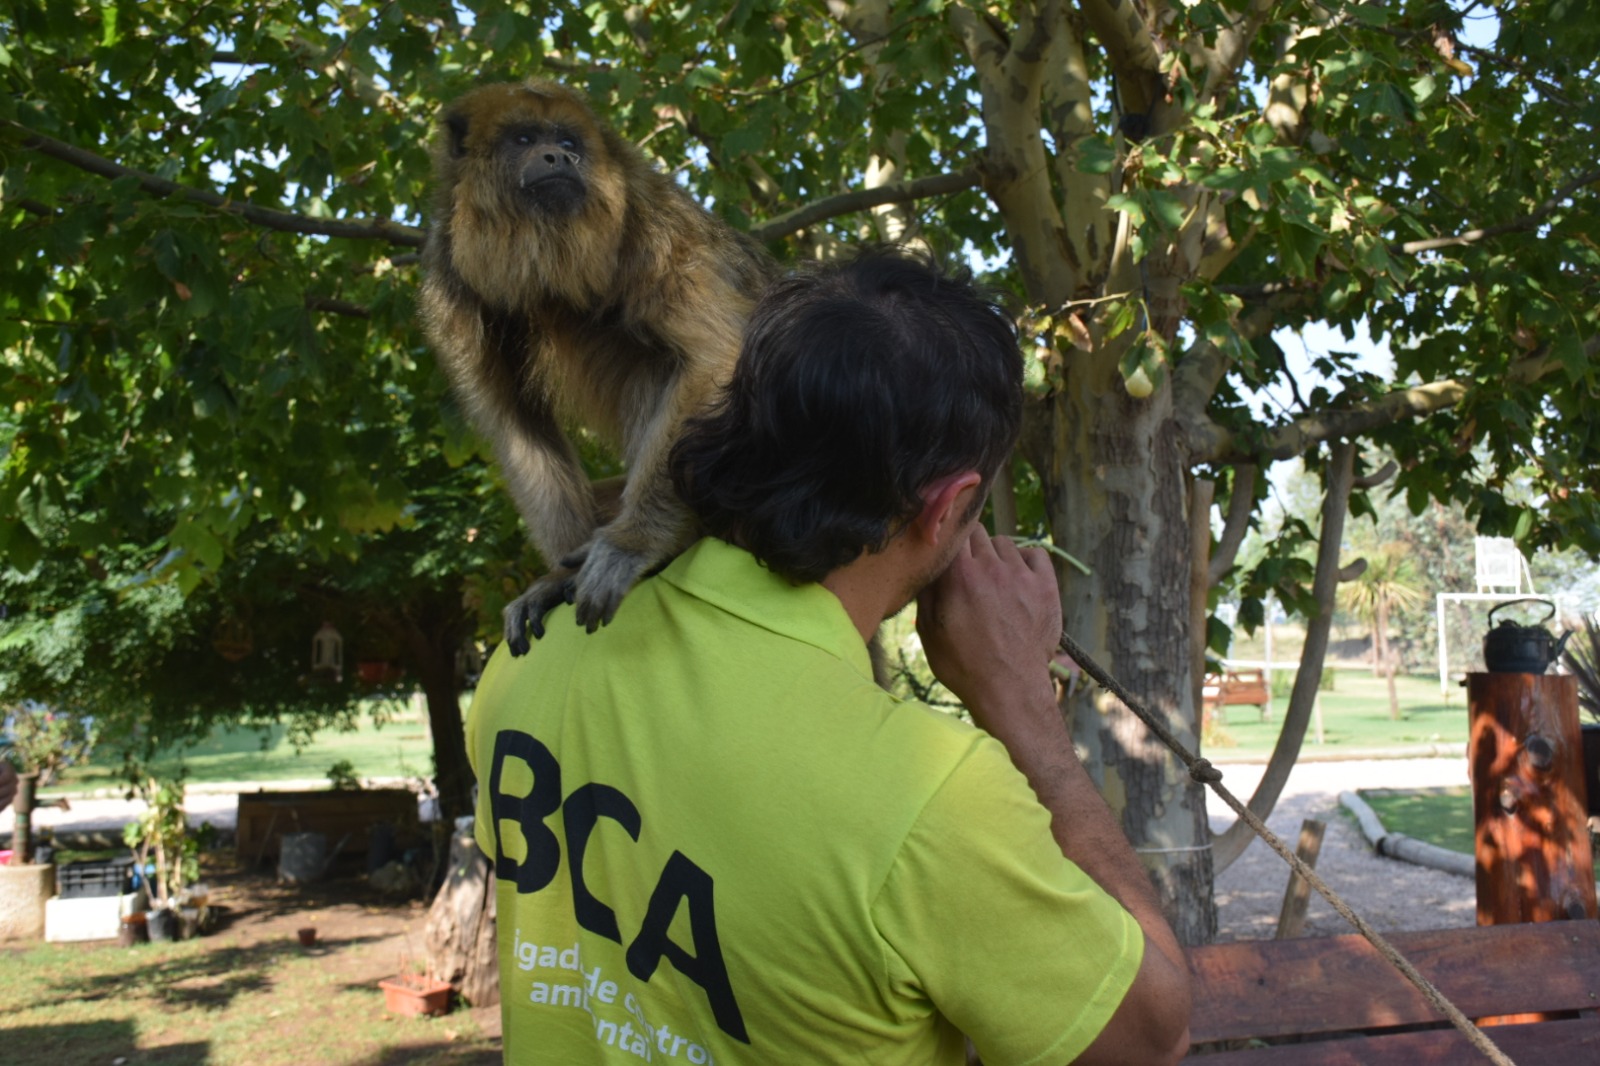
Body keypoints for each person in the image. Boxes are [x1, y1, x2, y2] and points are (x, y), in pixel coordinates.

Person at [465, 248, 1192, 1065]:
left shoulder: (529, 662)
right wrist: (1022, 703)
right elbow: (1150, 1038)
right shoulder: (929, 795)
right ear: (950, 505)